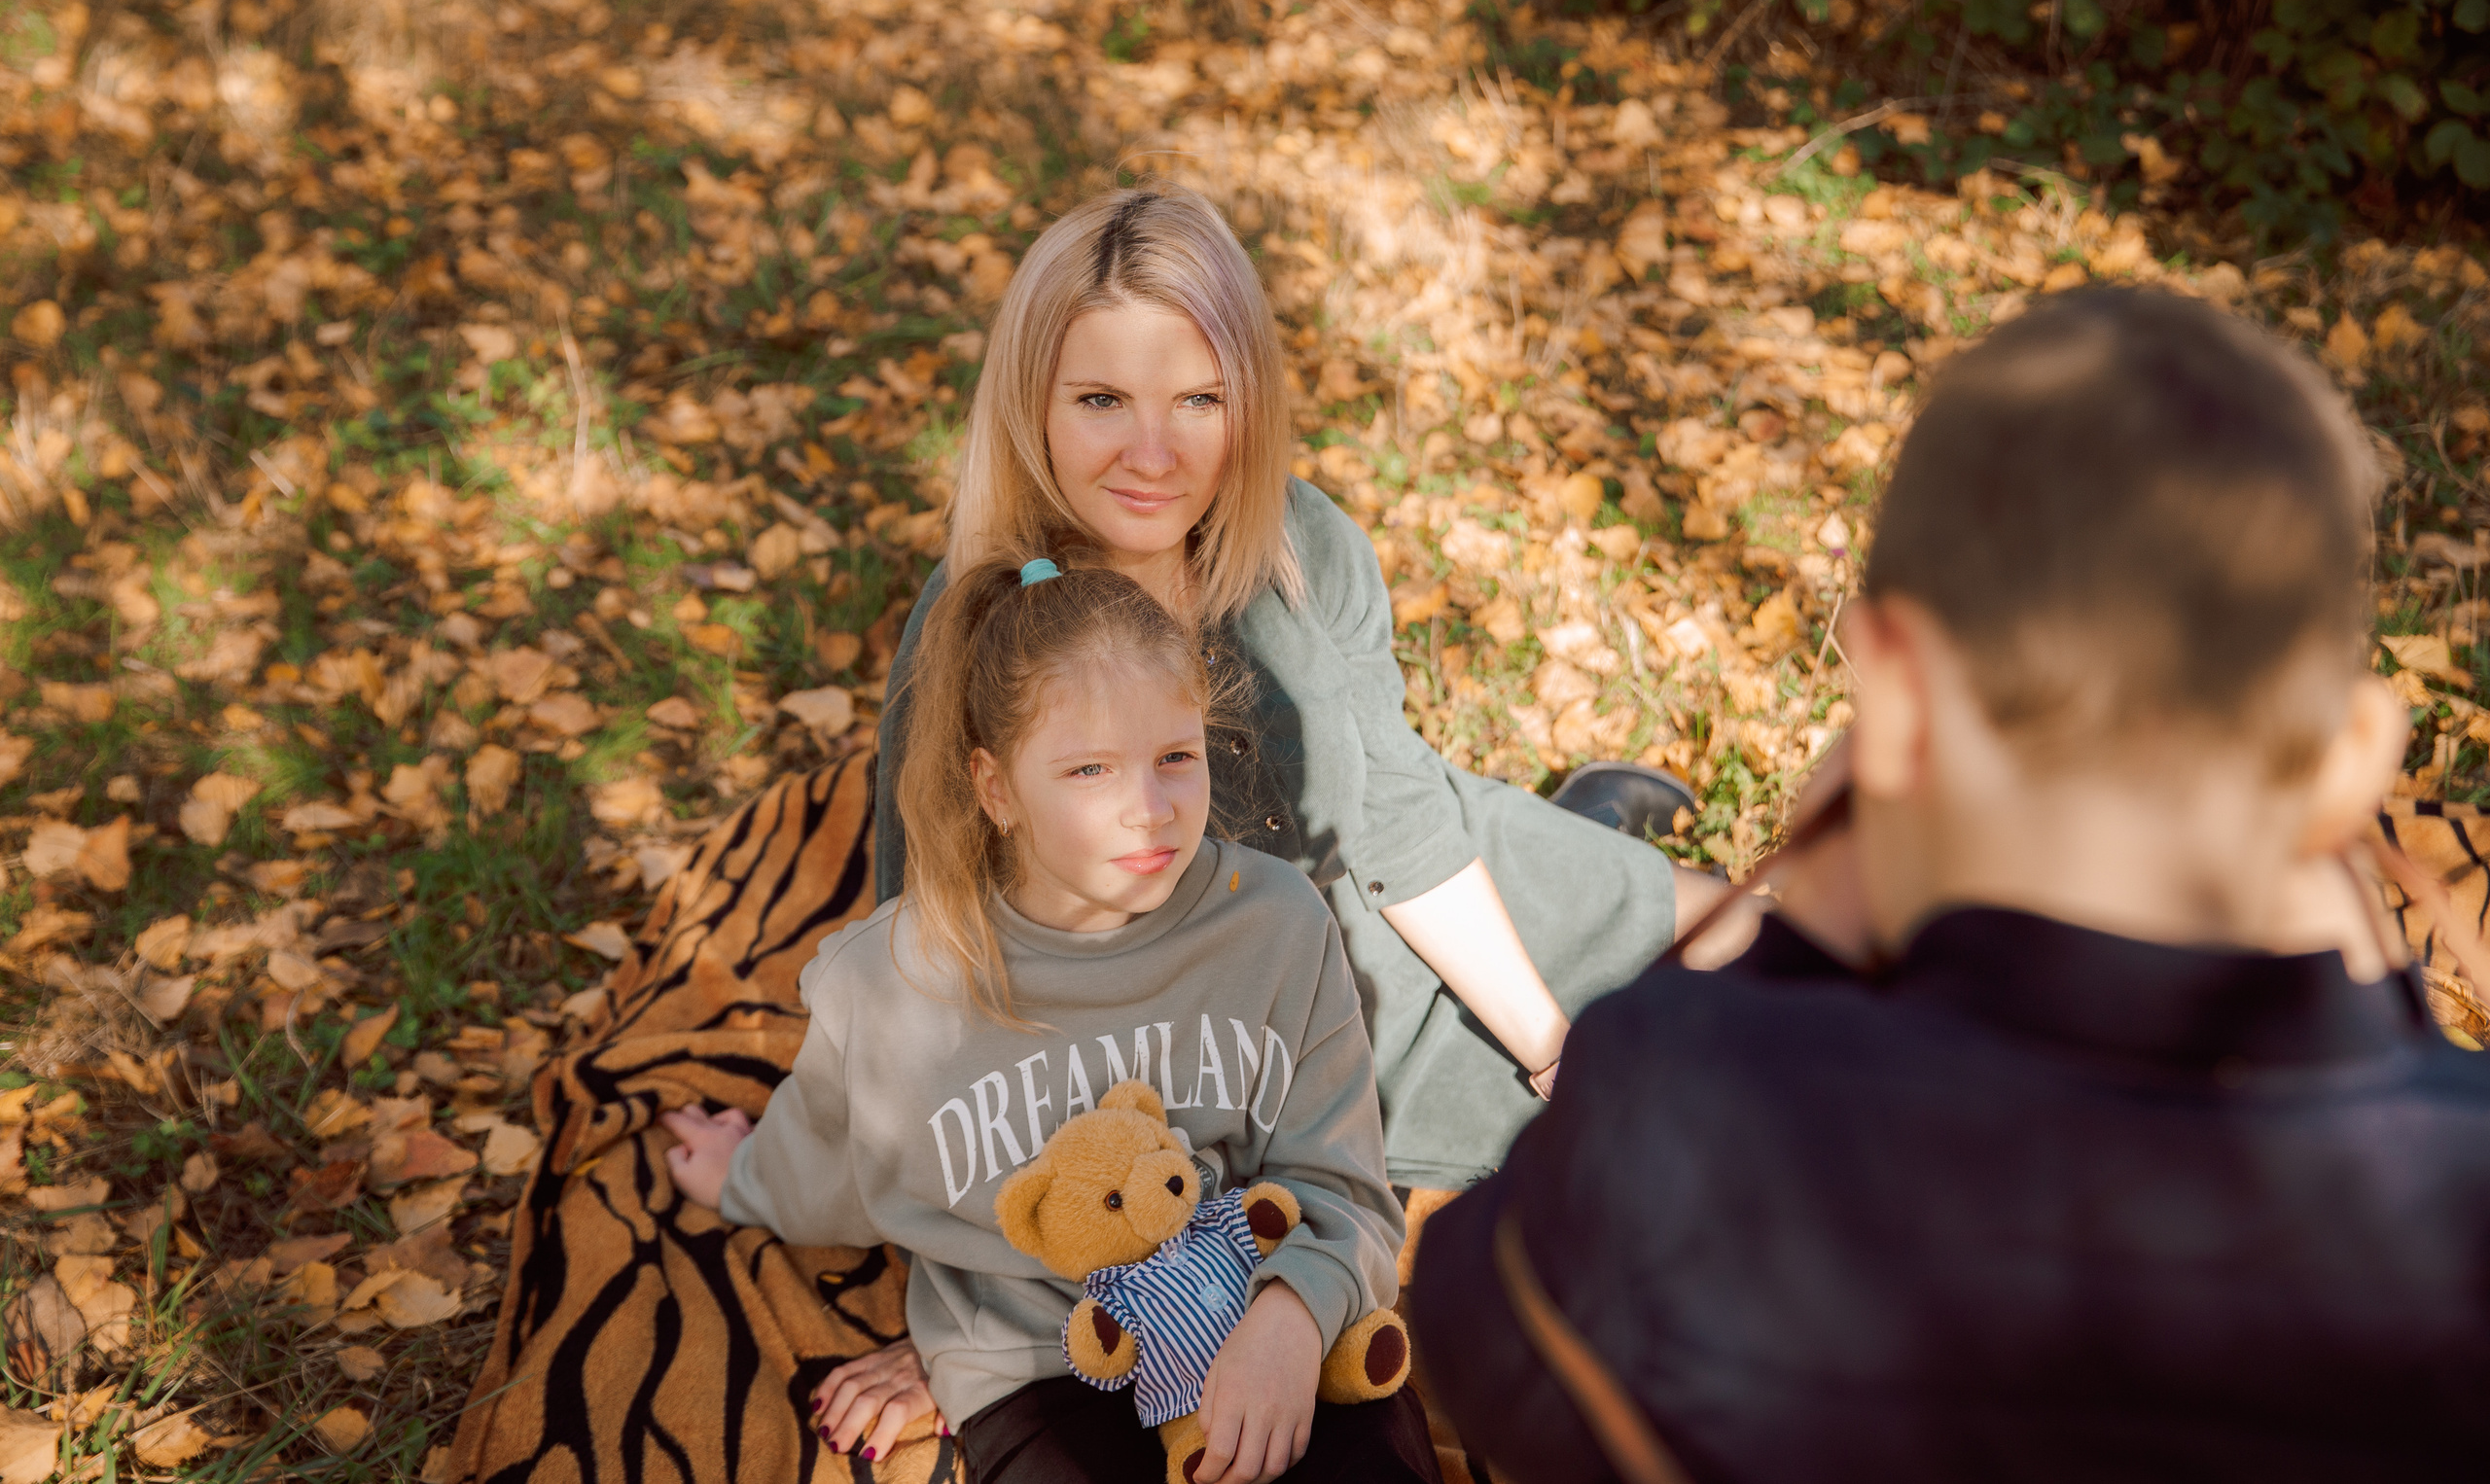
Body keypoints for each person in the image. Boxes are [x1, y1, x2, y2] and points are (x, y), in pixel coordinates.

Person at [1409, 288, 2490, 1480]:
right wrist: (2384, 1020)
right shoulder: (2456, 1203)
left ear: (1891, 702)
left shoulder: (1678, 1109)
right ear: (2352, 762)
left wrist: (1798, 935)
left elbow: (1471, 1321)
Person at [875, 183, 1731, 1200]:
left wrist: (1551, 1047)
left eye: (1199, 400)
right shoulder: (976, 623)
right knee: (1680, 1144)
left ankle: (1582, 831)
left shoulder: (1301, 540)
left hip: (1427, 902)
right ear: (1032, 404)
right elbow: (931, 948)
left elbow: (1400, 814)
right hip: (1262, 1054)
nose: (1152, 454)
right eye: (1101, 400)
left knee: (1768, 942)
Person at [661, 551, 1437, 1484]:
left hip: (1265, 1300)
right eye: (1090, 768)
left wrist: (1295, 1315)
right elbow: (824, 1157)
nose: (1150, 810)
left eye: (1176, 757)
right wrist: (739, 1178)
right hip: (1044, 1365)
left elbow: (1342, 1183)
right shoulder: (893, 982)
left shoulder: (1275, 924)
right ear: (995, 788)